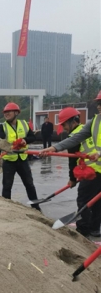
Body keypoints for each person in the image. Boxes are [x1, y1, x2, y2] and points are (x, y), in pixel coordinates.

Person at [39, 92, 101, 237]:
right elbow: (76, 138)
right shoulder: (94, 121)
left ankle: (84, 229)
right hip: (94, 169)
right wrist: (54, 148)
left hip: (93, 170)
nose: (99, 107)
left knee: (84, 200)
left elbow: (73, 160)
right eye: (99, 103)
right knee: (96, 201)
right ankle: (94, 228)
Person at [0, 102, 41, 210]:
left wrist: (25, 140)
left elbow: (32, 137)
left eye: (8, 112)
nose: (6, 114)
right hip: (9, 161)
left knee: (29, 184)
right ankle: (6, 208)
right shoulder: (2, 127)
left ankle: (36, 207)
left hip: (23, 159)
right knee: (7, 186)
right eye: (5, 112)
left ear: (16, 112)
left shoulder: (24, 124)